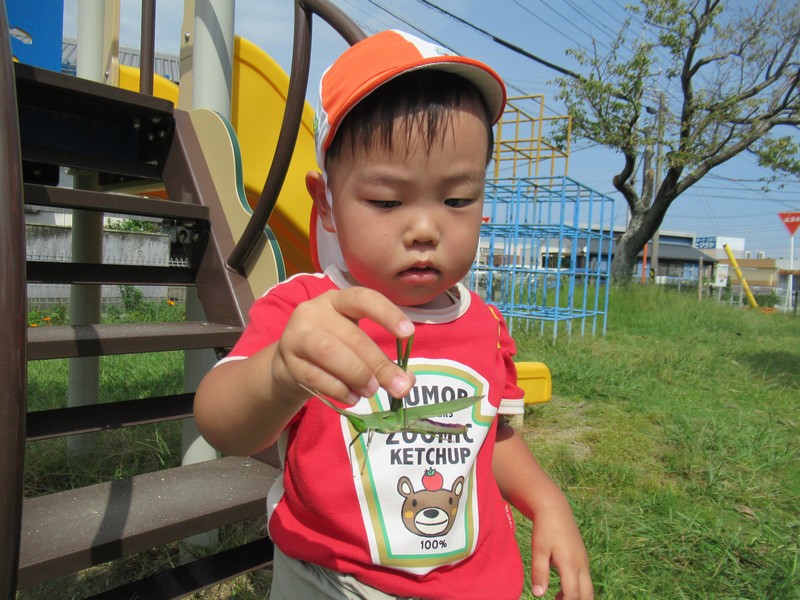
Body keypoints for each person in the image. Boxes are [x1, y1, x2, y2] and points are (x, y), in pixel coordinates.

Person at [194, 29, 592, 600]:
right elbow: (220, 422)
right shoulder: (305, 310)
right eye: (387, 201)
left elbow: (492, 435)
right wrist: (280, 372)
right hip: (330, 580)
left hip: (475, 583)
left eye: (457, 199)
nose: (425, 228)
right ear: (327, 204)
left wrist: (547, 500)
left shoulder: (484, 323)